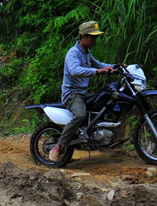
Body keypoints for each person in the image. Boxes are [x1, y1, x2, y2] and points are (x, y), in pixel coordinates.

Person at [48, 21, 116, 162]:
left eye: (96, 37)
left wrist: (117, 67)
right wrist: (97, 72)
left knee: (105, 101)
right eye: (92, 37)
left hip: (83, 92)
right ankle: (58, 147)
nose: (95, 40)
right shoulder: (73, 53)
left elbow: (99, 64)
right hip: (72, 94)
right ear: (84, 36)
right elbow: (75, 71)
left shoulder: (86, 52)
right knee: (80, 115)